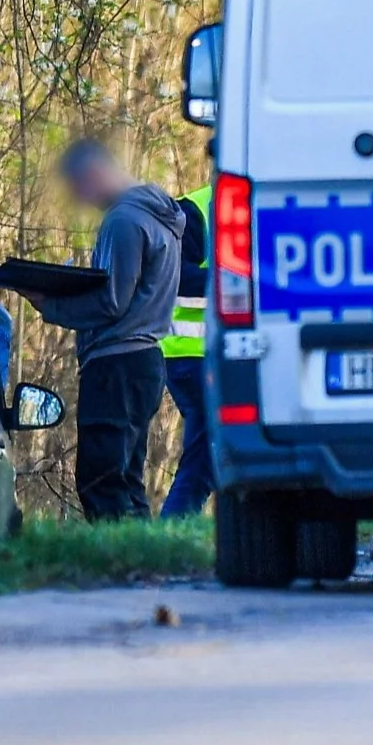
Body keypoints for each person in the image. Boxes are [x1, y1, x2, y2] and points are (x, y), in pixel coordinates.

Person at [24, 140, 183, 521]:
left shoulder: (124, 219)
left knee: (101, 478)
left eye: (79, 188)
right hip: (143, 362)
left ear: (94, 172)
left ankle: (119, 568)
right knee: (125, 477)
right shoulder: (159, 216)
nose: (82, 199)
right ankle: (144, 565)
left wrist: (50, 305)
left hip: (116, 363)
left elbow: (113, 301)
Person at [158, 170, 215, 518]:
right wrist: (236, 278)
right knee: (205, 454)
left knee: (209, 453)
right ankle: (172, 527)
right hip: (191, 354)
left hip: (208, 357)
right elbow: (171, 273)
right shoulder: (197, 210)